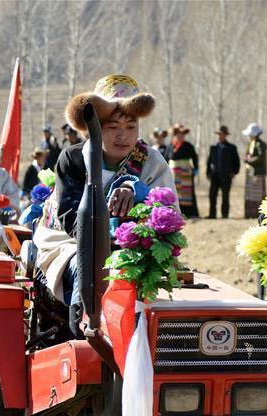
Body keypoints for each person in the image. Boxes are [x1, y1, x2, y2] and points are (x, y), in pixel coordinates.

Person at [34, 74, 176, 337]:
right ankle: (85, 331)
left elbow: (168, 214)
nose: (123, 136)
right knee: (88, 270)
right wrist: (111, 234)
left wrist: (135, 190)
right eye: (112, 127)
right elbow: (72, 220)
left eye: (131, 127)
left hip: (137, 246)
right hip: (69, 243)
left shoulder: (152, 161)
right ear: (95, 128)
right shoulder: (74, 159)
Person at [206, 125, 240, 219]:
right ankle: (212, 214)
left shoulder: (232, 148)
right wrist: (208, 172)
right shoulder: (213, 147)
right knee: (212, 195)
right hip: (215, 175)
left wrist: (234, 172)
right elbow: (209, 161)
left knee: (225, 196)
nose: (220, 136)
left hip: (226, 175)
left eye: (222, 134)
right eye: (219, 134)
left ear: (225, 135)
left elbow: (236, 162)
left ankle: (224, 215)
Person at [169, 123, 200, 218]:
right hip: (173, 173)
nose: (180, 136)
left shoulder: (188, 146)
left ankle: (190, 213)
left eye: (182, 134)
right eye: (178, 134)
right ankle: (176, 212)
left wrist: (196, 168)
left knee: (187, 193)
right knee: (174, 192)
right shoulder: (170, 146)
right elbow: (166, 158)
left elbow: (194, 157)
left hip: (185, 172)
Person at [242, 123, 267, 218]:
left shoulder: (261, 144)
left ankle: (259, 214)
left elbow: (261, 157)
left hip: (258, 173)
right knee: (250, 194)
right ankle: (250, 213)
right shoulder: (251, 144)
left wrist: (249, 161)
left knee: (257, 194)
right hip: (250, 172)